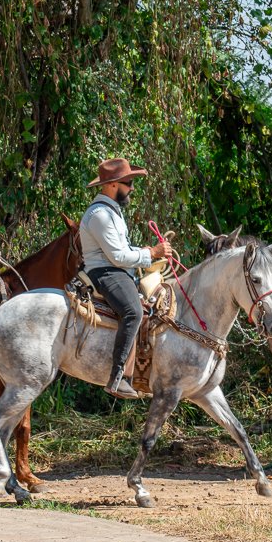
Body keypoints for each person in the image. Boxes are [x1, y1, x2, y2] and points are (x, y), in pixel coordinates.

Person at [80, 158, 172, 398]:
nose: (132, 187)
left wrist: (144, 253)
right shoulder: (100, 214)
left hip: (115, 270)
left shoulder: (110, 211)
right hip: (107, 273)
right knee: (134, 311)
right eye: (128, 182)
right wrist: (151, 253)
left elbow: (122, 250)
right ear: (112, 184)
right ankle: (118, 376)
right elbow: (118, 256)